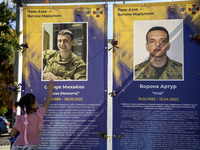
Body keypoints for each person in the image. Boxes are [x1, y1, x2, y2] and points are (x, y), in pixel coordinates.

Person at [10, 80, 55, 150]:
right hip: (30, 147)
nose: (38, 102)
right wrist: (50, 89)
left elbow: (13, 133)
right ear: (33, 106)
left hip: (17, 147)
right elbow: (47, 102)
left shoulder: (20, 119)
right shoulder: (38, 114)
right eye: (36, 101)